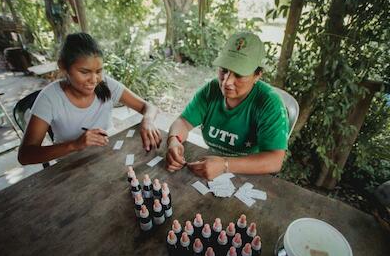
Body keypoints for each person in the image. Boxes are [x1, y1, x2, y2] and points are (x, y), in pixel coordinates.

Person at [18, 33, 161, 165]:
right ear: (63, 66)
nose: (94, 80)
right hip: (71, 165)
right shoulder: (49, 98)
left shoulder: (106, 84)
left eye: (99, 71)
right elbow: (25, 156)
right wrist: (75, 145)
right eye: (84, 72)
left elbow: (148, 107)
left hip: (107, 155)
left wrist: (147, 121)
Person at [165, 32, 289, 180]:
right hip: (210, 162)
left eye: (239, 74)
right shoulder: (211, 90)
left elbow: (275, 160)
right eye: (224, 70)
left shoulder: (269, 103)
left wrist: (225, 165)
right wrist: (174, 140)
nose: (226, 82)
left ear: (258, 75)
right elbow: (183, 122)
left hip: (249, 171)